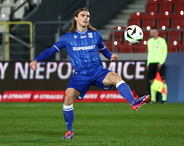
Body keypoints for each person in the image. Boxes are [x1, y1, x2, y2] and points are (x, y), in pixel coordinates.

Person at [29, 8, 150, 139]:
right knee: (68, 97)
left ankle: (133, 102)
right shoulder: (67, 38)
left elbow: (103, 49)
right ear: (76, 18)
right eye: (83, 15)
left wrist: (110, 56)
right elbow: (51, 50)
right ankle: (69, 131)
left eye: (88, 16)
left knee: (116, 77)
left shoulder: (95, 34)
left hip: (98, 71)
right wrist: (36, 59)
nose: (86, 18)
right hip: (80, 75)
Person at [146, 27, 168, 104]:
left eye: (155, 32)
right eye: (152, 32)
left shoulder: (162, 41)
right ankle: (153, 99)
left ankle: (164, 99)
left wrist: (161, 62)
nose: (153, 34)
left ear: (158, 32)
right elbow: (149, 53)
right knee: (152, 81)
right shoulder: (149, 41)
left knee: (162, 80)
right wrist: (148, 63)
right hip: (151, 63)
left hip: (159, 63)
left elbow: (164, 52)